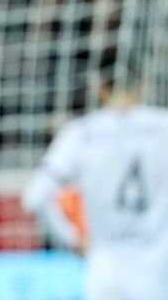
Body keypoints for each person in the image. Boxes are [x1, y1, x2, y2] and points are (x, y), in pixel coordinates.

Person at [23, 61, 168, 300]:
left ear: (98, 86)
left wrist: (72, 239)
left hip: (105, 270)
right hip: (156, 272)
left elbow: (35, 197)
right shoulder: (163, 126)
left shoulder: (81, 133)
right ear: (144, 82)